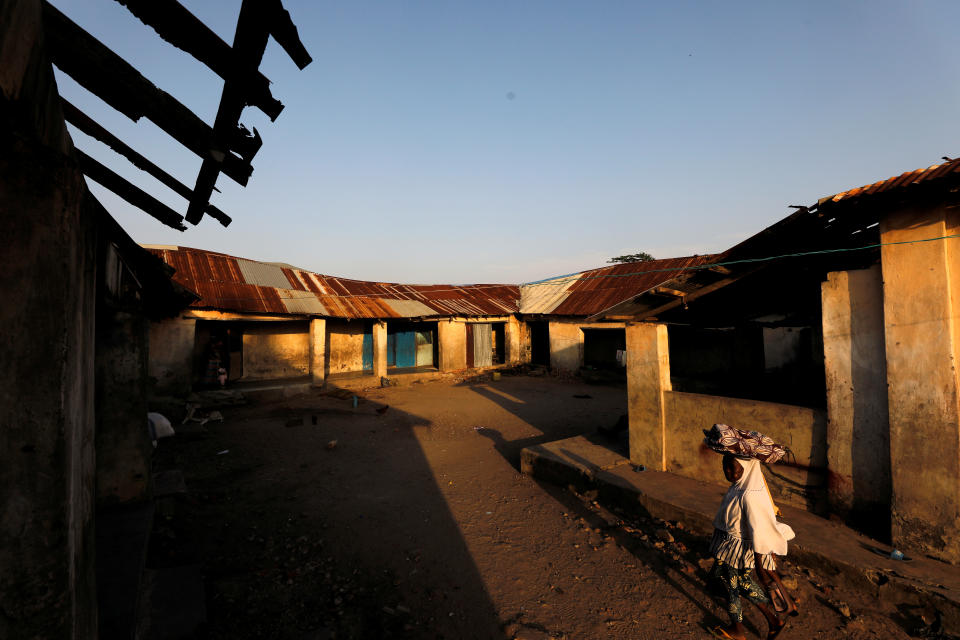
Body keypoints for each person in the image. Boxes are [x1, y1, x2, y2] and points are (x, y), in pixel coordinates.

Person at [709, 453, 796, 640]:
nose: (729, 472)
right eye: (725, 466)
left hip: (737, 551)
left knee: (731, 587)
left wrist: (760, 564)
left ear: (746, 469)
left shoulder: (749, 495)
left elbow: (759, 531)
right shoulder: (740, 487)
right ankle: (775, 620)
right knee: (743, 583)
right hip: (731, 546)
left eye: (734, 468)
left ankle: (737, 630)